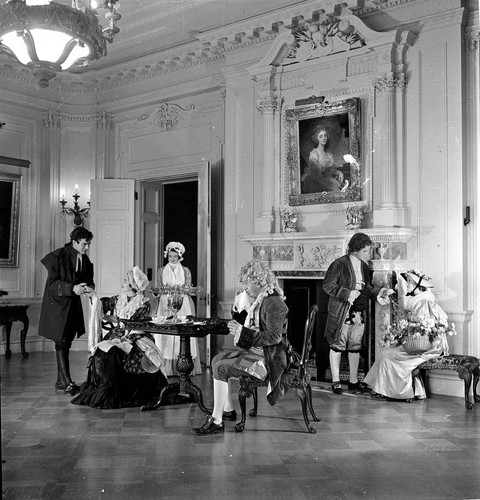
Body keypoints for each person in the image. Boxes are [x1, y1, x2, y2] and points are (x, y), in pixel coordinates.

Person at [191, 259, 291, 435]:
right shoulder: (263, 299)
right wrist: (239, 328)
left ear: (258, 282)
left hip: (270, 359)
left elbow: (274, 337)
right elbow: (255, 327)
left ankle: (217, 420)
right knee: (216, 359)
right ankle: (227, 410)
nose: (245, 288)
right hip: (262, 352)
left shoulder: (274, 303)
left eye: (247, 283)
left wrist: (242, 332)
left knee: (222, 367)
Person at [71, 266, 168, 409]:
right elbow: (101, 304)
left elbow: (136, 326)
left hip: (135, 336)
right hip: (119, 334)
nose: (122, 284)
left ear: (132, 285)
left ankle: (115, 392)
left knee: (119, 354)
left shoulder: (143, 303)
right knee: (102, 352)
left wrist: (122, 331)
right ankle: (103, 389)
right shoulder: (119, 299)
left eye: (125, 281)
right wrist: (92, 294)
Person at [364, 270, 452, 400]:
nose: (408, 285)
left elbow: (425, 327)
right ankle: (384, 389)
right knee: (386, 353)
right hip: (417, 341)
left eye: (410, 283)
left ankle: (403, 393)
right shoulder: (417, 301)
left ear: (418, 286)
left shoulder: (424, 302)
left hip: (429, 345)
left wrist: (407, 327)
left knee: (389, 355)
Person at [323, 232, 391, 395]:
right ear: (355, 249)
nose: (369, 254)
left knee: (355, 346)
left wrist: (379, 292)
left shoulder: (364, 266)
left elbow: (365, 288)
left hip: (358, 312)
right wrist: (346, 294)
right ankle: (336, 381)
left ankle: (353, 381)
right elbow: (327, 285)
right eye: (366, 251)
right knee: (337, 345)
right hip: (342, 312)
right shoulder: (338, 264)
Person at [38, 227, 95, 396]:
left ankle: (60, 381)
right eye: (84, 244)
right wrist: (73, 288)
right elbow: (53, 284)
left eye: (88, 244)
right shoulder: (57, 256)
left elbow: (88, 280)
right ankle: (67, 382)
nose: (86, 248)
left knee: (66, 341)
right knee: (61, 342)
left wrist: (89, 288)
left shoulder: (84, 258)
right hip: (56, 305)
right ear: (75, 241)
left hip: (71, 305)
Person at [151, 241, 201, 376]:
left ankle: (184, 364)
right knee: (165, 333)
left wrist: (187, 290)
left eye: (175, 256)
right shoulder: (161, 271)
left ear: (179, 256)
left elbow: (188, 288)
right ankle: (165, 367)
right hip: (165, 302)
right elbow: (159, 288)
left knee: (182, 330)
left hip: (182, 302)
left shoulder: (185, 271)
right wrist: (158, 291)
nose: (172, 259)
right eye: (170, 256)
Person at [302, 125, 344, 193]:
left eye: (325, 135)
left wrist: (338, 172)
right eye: (320, 136)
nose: (324, 138)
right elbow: (317, 176)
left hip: (327, 180)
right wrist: (332, 183)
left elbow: (330, 169)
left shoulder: (329, 155)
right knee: (336, 189)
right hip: (318, 183)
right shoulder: (314, 154)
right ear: (316, 138)